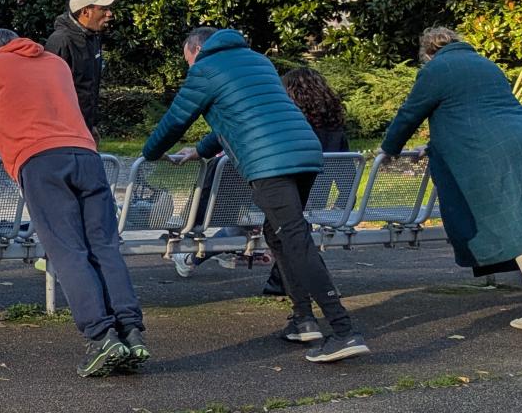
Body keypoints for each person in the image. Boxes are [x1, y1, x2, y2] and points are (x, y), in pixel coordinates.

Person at [143, 27, 369, 363]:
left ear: (195, 49)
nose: (188, 69)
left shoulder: (205, 68)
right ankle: (303, 319)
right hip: (304, 153)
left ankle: (343, 330)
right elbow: (242, 118)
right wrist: (201, 150)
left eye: (186, 60)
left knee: (294, 238)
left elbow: (175, 120)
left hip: (269, 161)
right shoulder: (257, 62)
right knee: (277, 234)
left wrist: (150, 153)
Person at [0, 29, 147, 378]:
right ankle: (130, 330)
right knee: (103, 245)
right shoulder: (56, 63)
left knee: (67, 250)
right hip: (86, 155)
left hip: (40, 160)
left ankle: (101, 335)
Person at [382, 29, 522, 331]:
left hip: (495, 148)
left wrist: (389, 149)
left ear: (428, 51)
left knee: (517, 224)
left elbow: (410, 113)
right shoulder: (487, 64)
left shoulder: (436, 69)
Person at [176, 67, 351, 289]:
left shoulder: (283, 125)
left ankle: (193, 254)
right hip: (312, 200)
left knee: (242, 203)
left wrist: (202, 150)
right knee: (280, 225)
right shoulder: (335, 131)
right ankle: (280, 282)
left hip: (274, 199)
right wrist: (343, 206)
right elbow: (346, 176)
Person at [45, 0, 117, 139]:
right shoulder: (61, 41)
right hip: (63, 134)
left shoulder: (93, 37)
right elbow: (48, 93)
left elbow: (89, 86)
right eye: (103, 9)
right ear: (86, 12)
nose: (109, 13)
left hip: (83, 130)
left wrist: (91, 125)